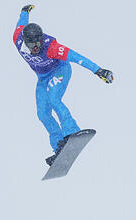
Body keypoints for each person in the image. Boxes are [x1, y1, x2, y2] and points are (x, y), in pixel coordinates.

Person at [14, 5, 114, 166]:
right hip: (42, 78)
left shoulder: (51, 47)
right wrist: (24, 12)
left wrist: (98, 70)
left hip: (60, 70)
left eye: (39, 44)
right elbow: (21, 23)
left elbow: (75, 56)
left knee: (54, 99)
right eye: (33, 45)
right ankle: (59, 146)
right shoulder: (18, 39)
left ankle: (72, 131)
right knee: (42, 113)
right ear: (25, 42)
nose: (36, 48)